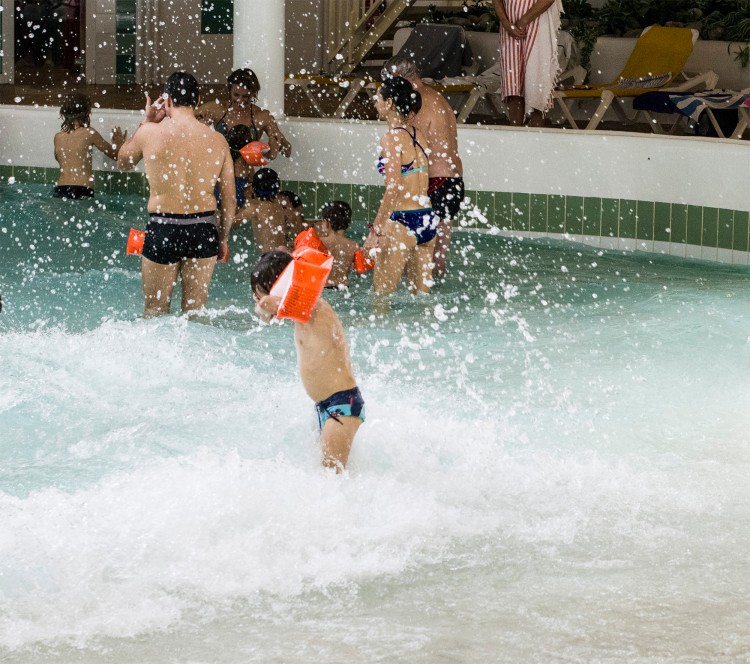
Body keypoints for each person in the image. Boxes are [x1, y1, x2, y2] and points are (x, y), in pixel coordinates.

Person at [117, 71, 236, 317]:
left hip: (163, 227)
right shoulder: (217, 140)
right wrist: (222, 237)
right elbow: (230, 199)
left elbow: (123, 162)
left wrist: (147, 121)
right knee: (195, 313)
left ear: (167, 100)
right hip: (203, 229)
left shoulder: (150, 132)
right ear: (198, 99)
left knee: (154, 311)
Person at [251, 250, 364, 472]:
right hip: (325, 407)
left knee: (333, 478)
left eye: (260, 293)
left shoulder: (313, 308)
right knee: (326, 475)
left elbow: (267, 306)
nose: (259, 299)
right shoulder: (300, 311)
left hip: (342, 406)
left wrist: (263, 303)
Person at [381, 55, 464, 279]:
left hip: (434, 182)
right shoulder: (437, 97)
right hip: (452, 181)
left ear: (399, 78)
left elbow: (409, 147)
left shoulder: (417, 102)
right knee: (436, 261)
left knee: (414, 264)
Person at [363, 76, 436, 296]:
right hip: (427, 219)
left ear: (390, 103)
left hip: (402, 220)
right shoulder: (418, 135)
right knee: (422, 298)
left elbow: (393, 188)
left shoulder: (391, 138)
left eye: (378, 98)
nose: (375, 103)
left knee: (381, 297)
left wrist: (375, 232)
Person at [491, 0, 563, 127]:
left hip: (538, 25)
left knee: (537, 83)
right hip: (509, 30)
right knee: (513, 86)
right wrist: (506, 22)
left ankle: (536, 137)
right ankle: (515, 135)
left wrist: (523, 21)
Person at [196, 68, 292, 162]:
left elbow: (287, 152)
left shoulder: (262, 116)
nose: (240, 100)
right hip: (219, 170)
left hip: (245, 173)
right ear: (229, 90)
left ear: (253, 94)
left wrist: (279, 142)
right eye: (236, 95)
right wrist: (200, 126)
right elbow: (184, 123)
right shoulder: (216, 109)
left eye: (245, 96)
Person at [53, 92, 126, 199]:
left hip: (61, 189)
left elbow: (59, 158)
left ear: (64, 113)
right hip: (82, 188)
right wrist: (118, 142)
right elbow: (115, 155)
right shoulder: (89, 133)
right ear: (87, 112)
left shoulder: (58, 137)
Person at [234, 167, 286, 253]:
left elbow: (229, 222)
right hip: (283, 255)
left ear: (253, 188)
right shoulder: (278, 206)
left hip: (269, 257)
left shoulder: (256, 207)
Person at [315, 201, 359, 289]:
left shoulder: (319, 242)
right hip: (344, 288)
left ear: (326, 223)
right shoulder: (354, 245)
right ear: (349, 223)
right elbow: (355, 270)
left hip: (324, 288)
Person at [223, 124, 256, 209]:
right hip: (238, 197)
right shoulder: (245, 161)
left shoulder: (222, 155)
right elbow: (253, 179)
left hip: (221, 195)